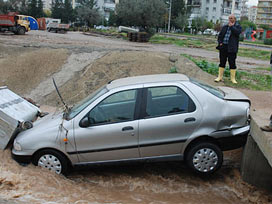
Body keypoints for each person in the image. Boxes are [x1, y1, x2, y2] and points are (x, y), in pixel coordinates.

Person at [215, 14, 242, 84]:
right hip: (223, 47)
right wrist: (220, 42)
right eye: (229, 18)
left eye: (232, 18)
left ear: (235, 19)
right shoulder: (225, 27)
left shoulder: (238, 27)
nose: (230, 19)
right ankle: (219, 77)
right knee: (222, 62)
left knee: (232, 62)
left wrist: (232, 27)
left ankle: (232, 78)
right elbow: (220, 36)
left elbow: (237, 33)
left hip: (232, 48)